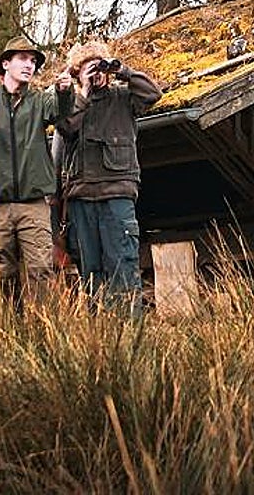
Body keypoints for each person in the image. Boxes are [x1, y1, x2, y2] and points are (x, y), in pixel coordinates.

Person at [0, 36, 74, 305]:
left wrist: (65, 91)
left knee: (41, 271)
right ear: (5, 64)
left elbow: (62, 112)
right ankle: (7, 334)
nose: (29, 65)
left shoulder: (40, 102)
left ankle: (44, 335)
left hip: (33, 205)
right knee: (0, 275)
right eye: (22, 59)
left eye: (33, 61)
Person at [57, 41, 162, 314]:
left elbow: (153, 94)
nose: (97, 73)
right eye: (89, 68)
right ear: (76, 73)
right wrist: (83, 91)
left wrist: (122, 70)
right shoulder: (70, 105)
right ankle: (99, 339)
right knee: (90, 274)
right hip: (80, 201)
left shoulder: (123, 98)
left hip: (117, 197)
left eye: (100, 66)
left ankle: (129, 336)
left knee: (123, 268)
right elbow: (66, 127)